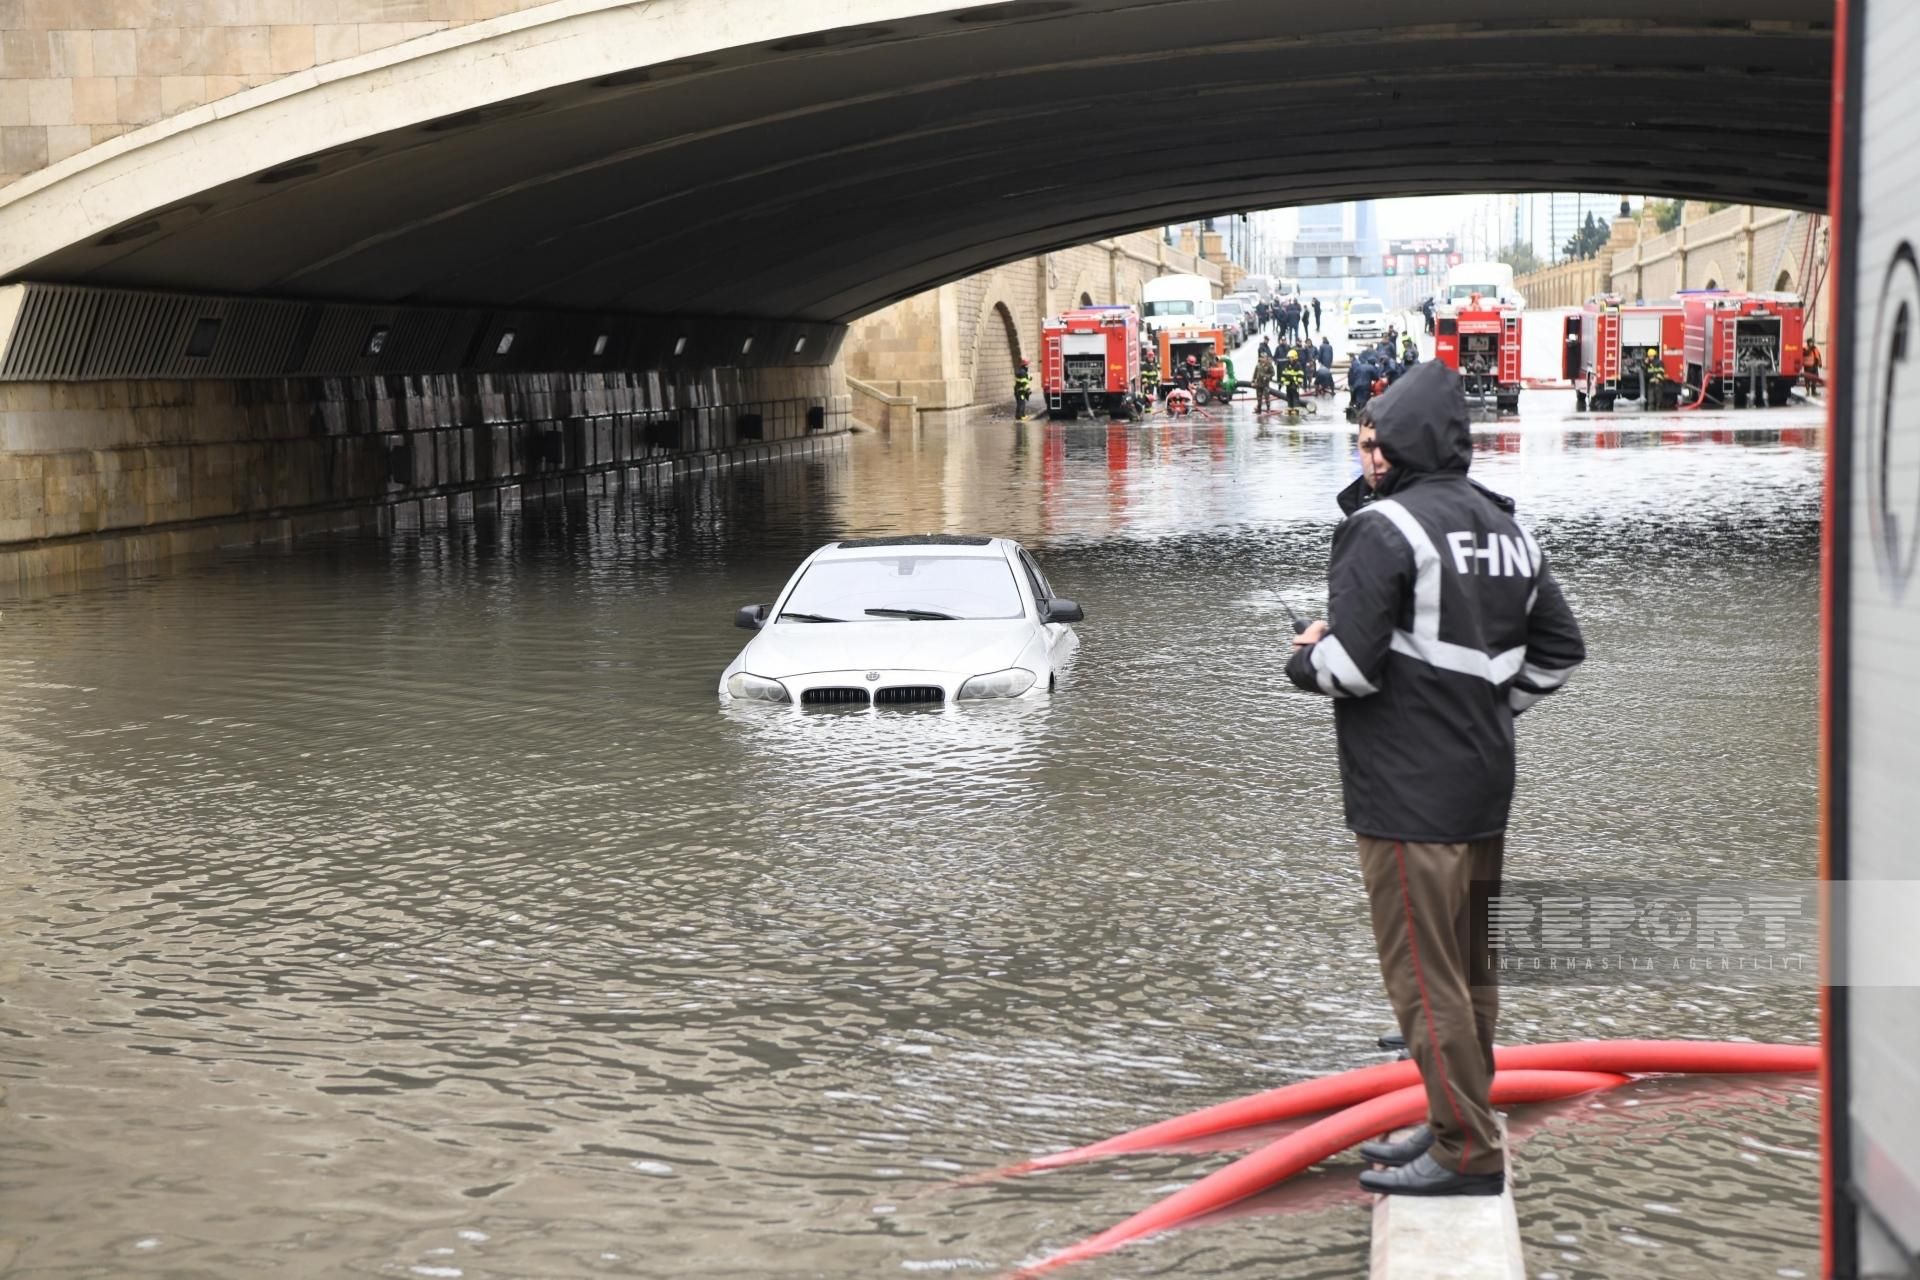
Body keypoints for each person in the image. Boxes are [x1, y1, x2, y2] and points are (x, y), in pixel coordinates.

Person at [1285, 361, 1585, 1198]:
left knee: (1425, 980)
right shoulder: (1507, 527)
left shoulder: (1382, 530)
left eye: (1377, 437)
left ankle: (1464, 1151)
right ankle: (1458, 1115)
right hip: (1484, 786)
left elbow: (1349, 667)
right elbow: (1561, 653)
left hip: (1408, 798)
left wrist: (1303, 657)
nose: (1367, 450)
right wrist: (1490, 711)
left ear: (1403, 443)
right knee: (1471, 974)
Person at [1280, 346, 1306, 411]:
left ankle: (1296, 408)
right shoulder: (1287, 365)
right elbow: (1284, 374)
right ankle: (1290, 407)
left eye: (1290, 357)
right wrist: (1282, 382)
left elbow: (1300, 375)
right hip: (1288, 384)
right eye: (1289, 357)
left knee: (1295, 397)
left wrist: (1299, 383)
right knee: (1289, 396)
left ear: (1294, 357)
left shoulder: (1298, 365)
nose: (1289, 359)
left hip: (1294, 384)